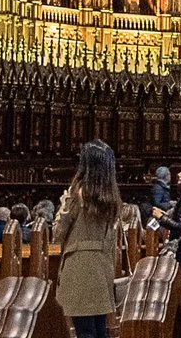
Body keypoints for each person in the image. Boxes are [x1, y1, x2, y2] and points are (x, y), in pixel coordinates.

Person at [49, 140, 123, 338]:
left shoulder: (77, 194)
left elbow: (58, 233)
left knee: (84, 330)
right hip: (102, 266)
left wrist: (64, 203)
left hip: (80, 265)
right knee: (99, 328)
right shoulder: (111, 197)